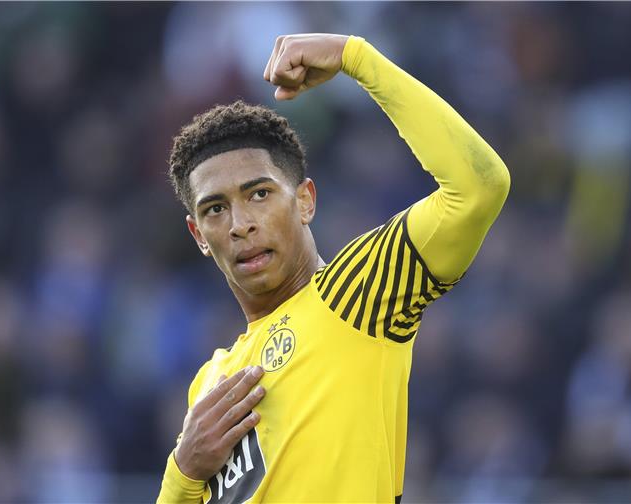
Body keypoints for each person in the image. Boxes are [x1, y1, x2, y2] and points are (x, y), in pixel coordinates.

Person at [157, 33, 510, 503]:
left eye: (259, 194)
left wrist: (356, 58)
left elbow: (478, 188)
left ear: (305, 200)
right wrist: (182, 473)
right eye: (216, 209)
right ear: (199, 235)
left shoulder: (354, 295)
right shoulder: (210, 383)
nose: (240, 224)